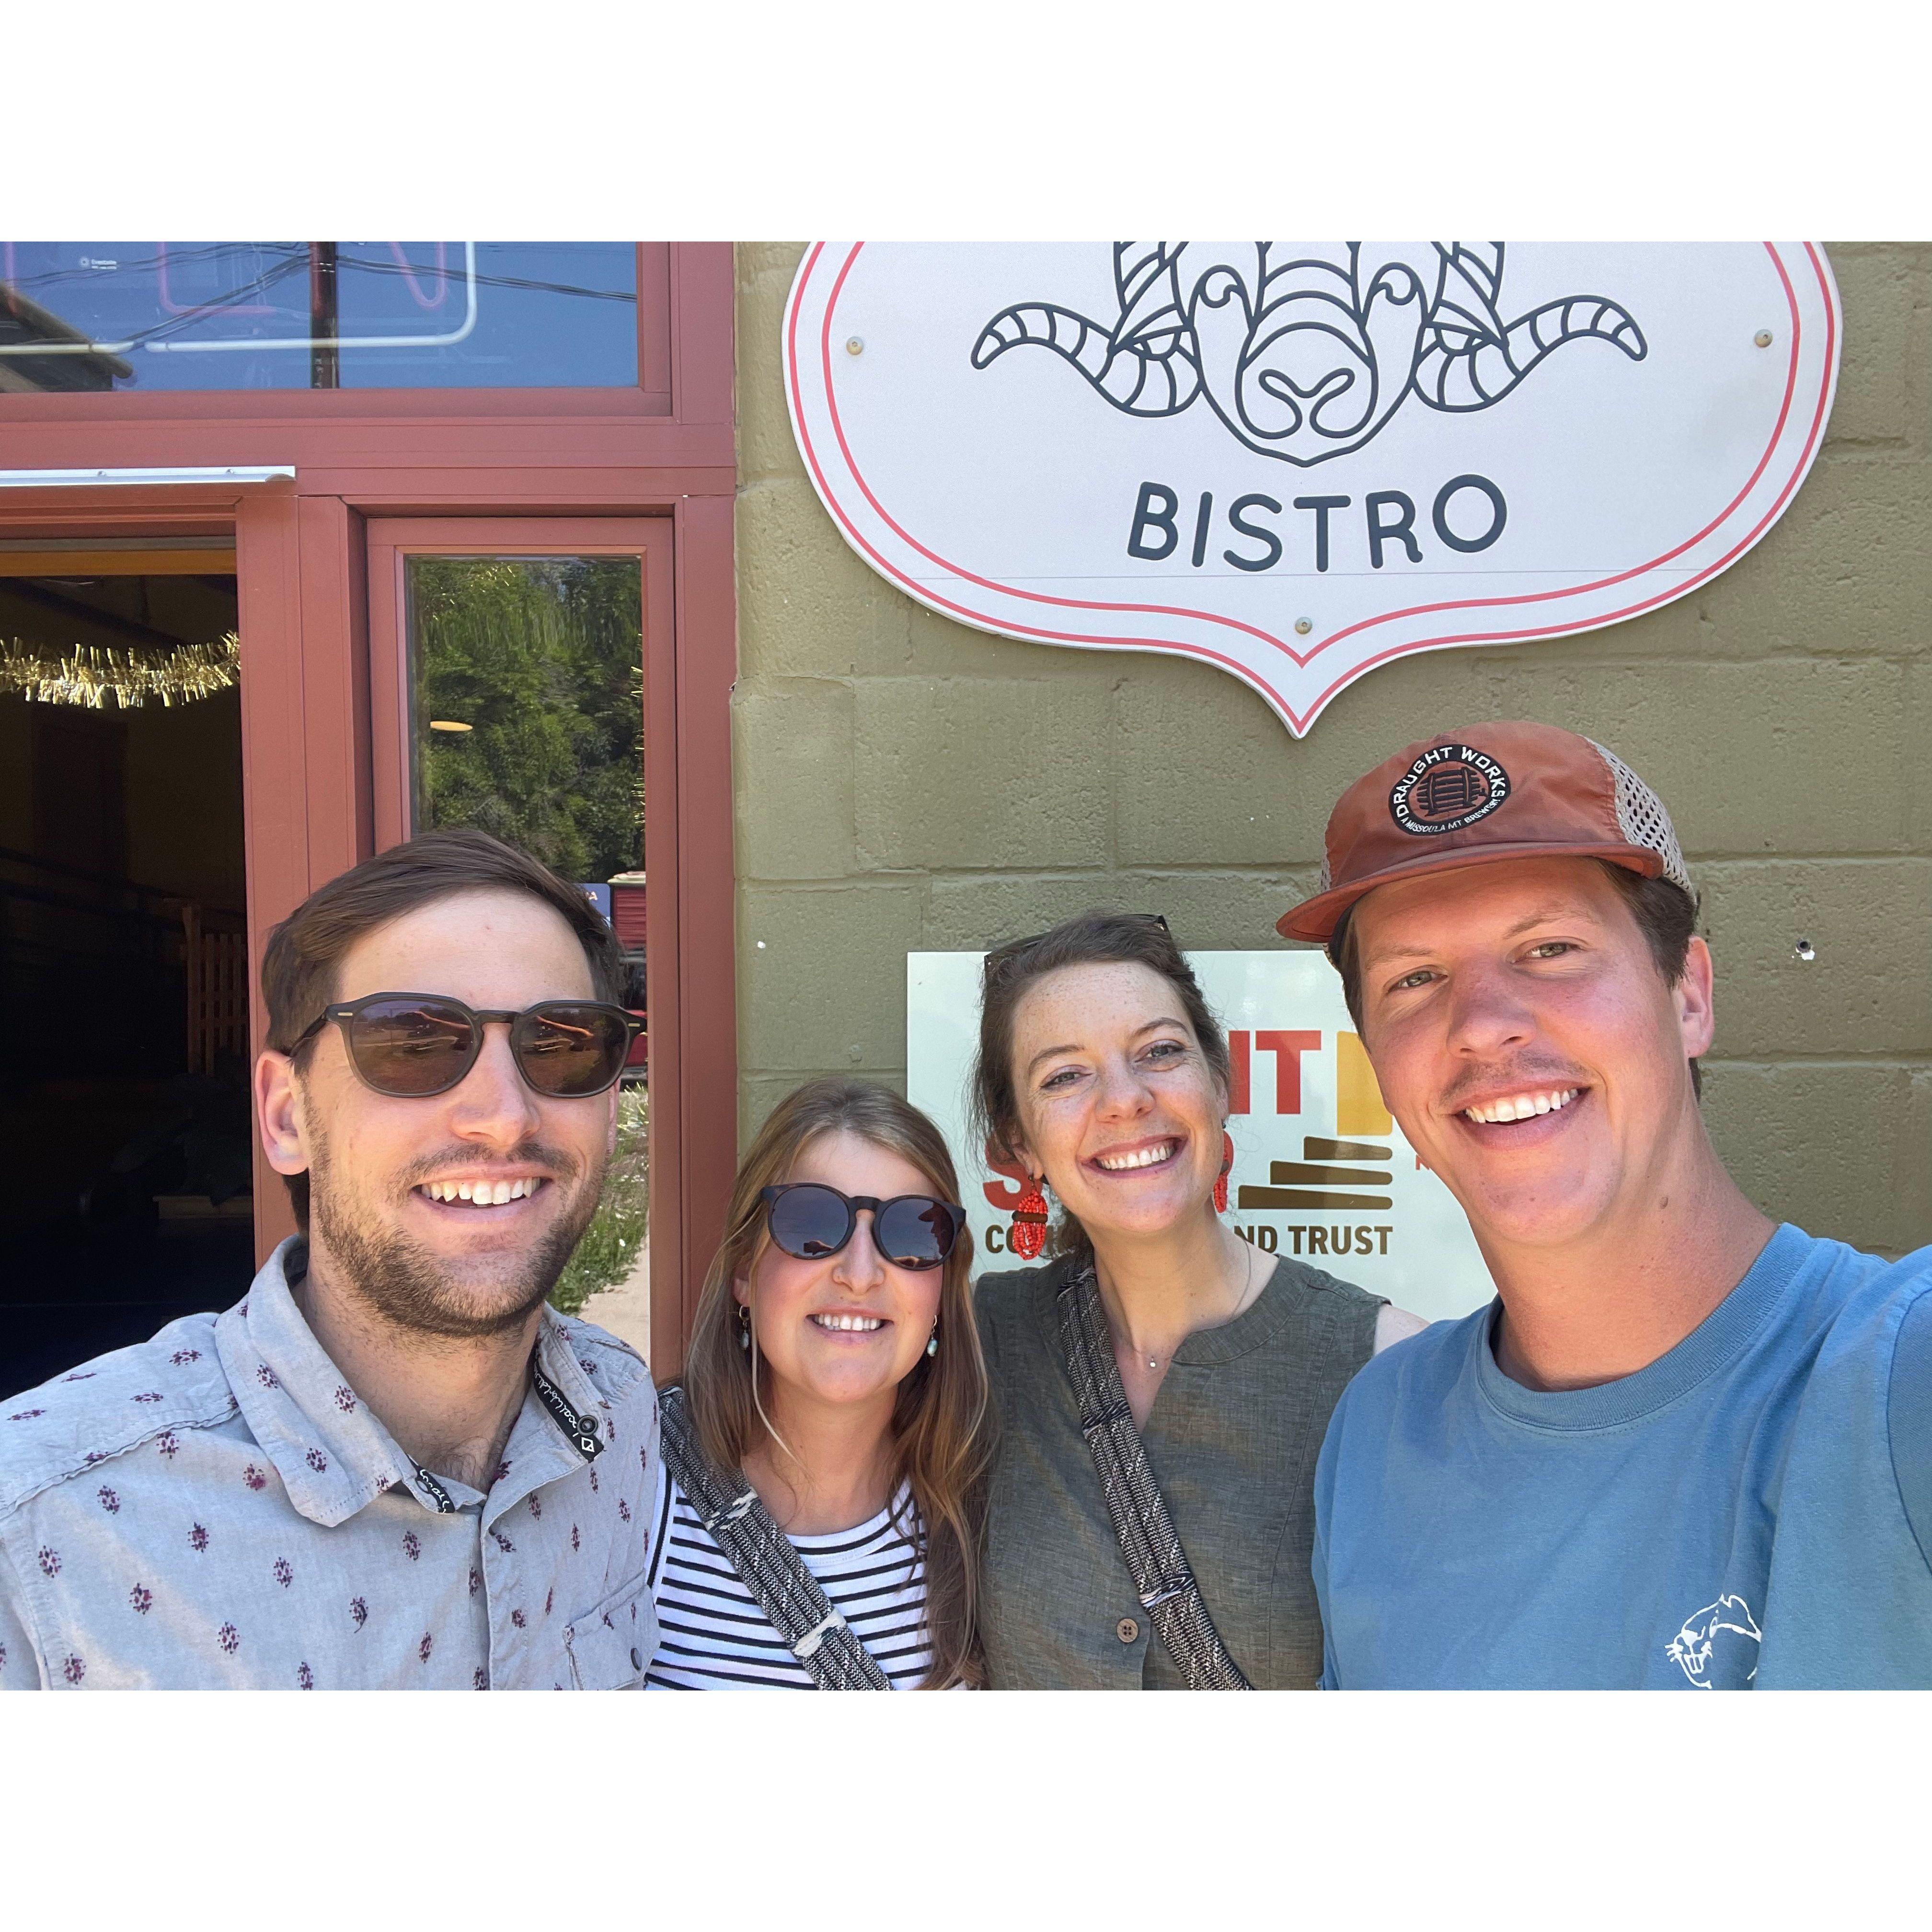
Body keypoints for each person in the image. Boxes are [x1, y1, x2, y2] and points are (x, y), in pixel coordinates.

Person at [1285, 721, 1932, 1688]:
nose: (1482, 1024)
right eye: (1415, 979)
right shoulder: (1380, 1433)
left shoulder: (1895, 1372)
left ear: (1690, 998)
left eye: (1549, 949)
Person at [0, 829, 659, 1690]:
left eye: (562, 1042)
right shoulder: (42, 1529)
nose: (503, 1117)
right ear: (285, 1116)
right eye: (413, 1042)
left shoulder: (619, 1417)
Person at [968, 911, 1425, 1690]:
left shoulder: (1387, 1368)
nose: (1123, 1099)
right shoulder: (978, 1346)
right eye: (1063, 1076)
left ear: (1219, 1084)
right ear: (1020, 1146)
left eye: (1160, 1052)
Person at [644, 1080, 989, 1689]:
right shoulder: (636, 1496)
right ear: (745, 1273)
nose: (859, 1274)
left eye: (913, 1232)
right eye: (811, 1221)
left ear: (942, 1289)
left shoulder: (981, 1517)